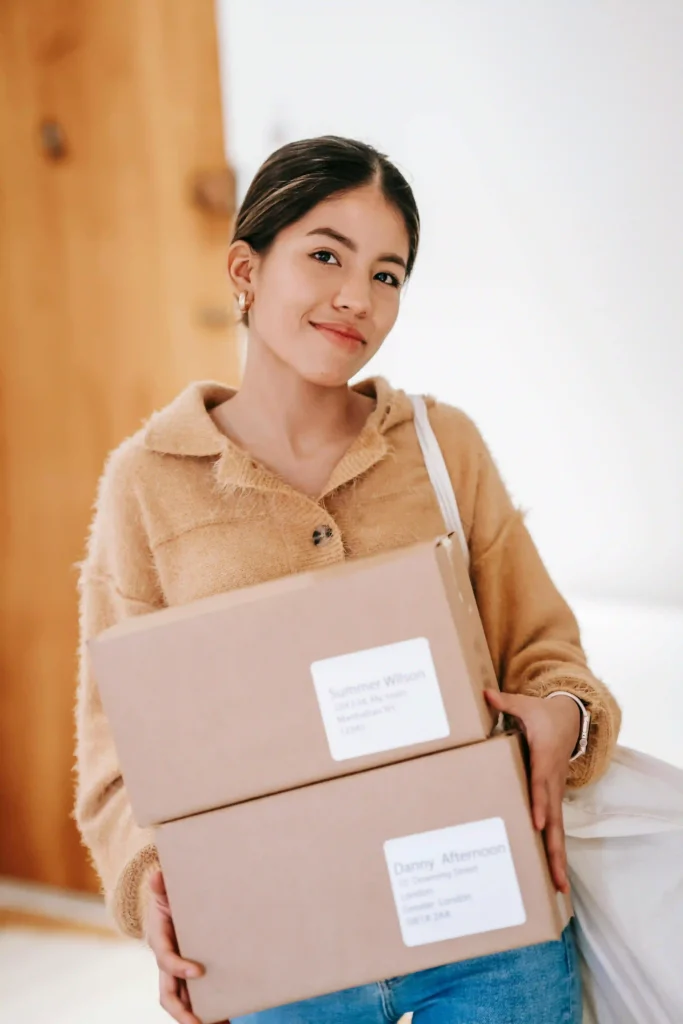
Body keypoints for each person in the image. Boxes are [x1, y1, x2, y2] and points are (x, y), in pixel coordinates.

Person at [74, 135, 621, 1024]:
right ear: (245, 269)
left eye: (387, 274)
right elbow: (113, 761)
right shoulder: (147, 481)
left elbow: (547, 652)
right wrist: (149, 888)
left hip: (489, 937)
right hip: (271, 955)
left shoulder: (443, 448)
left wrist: (565, 715)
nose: (354, 298)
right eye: (325, 254)